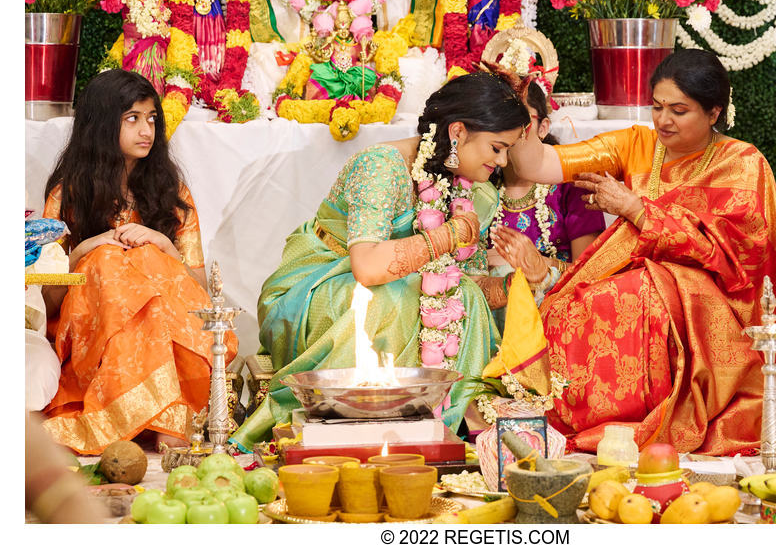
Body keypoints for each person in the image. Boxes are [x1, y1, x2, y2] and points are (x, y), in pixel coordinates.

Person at [231, 69, 551, 451]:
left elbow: (464, 280)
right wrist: (448, 234)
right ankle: (360, 423)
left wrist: (520, 283)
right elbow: (366, 267)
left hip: (392, 287)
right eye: (496, 147)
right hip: (320, 281)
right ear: (459, 132)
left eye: (506, 151)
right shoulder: (382, 167)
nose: (501, 162)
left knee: (462, 295)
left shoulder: (477, 192)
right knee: (389, 300)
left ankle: (449, 425)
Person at [509, 49, 776, 454]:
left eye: (679, 110)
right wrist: (514, 109)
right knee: (570, 304)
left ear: (714, 113)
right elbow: (538, 165)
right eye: (657, 106)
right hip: (640, 279)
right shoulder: (637, 144)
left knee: (642, 292)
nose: (663, 120)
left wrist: (633, 209)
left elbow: (739, 261)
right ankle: (587, 416)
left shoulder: (743, 164)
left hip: (715, 305)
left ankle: (652, 415)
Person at [41, 69, 237, 455]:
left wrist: (164, 244)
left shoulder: (171, 192)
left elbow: (197, 289)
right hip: (89, 326)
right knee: (110, 261)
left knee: (149, 258)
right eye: (132, 118)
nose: (146, 130)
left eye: (151, 118)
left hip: (170, 321)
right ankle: (145, 414)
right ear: (101, 124)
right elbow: (45, 297)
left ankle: (162, 413)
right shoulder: (68, 196)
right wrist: (86, 251)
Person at [488, 80, 605, 274]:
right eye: (499, 119)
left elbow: (590, 273)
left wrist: (536, 264)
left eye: (520, 120)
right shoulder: (480, 185)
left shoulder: (573, 186)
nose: (508, 130)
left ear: (543, 128)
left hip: (561, 299)